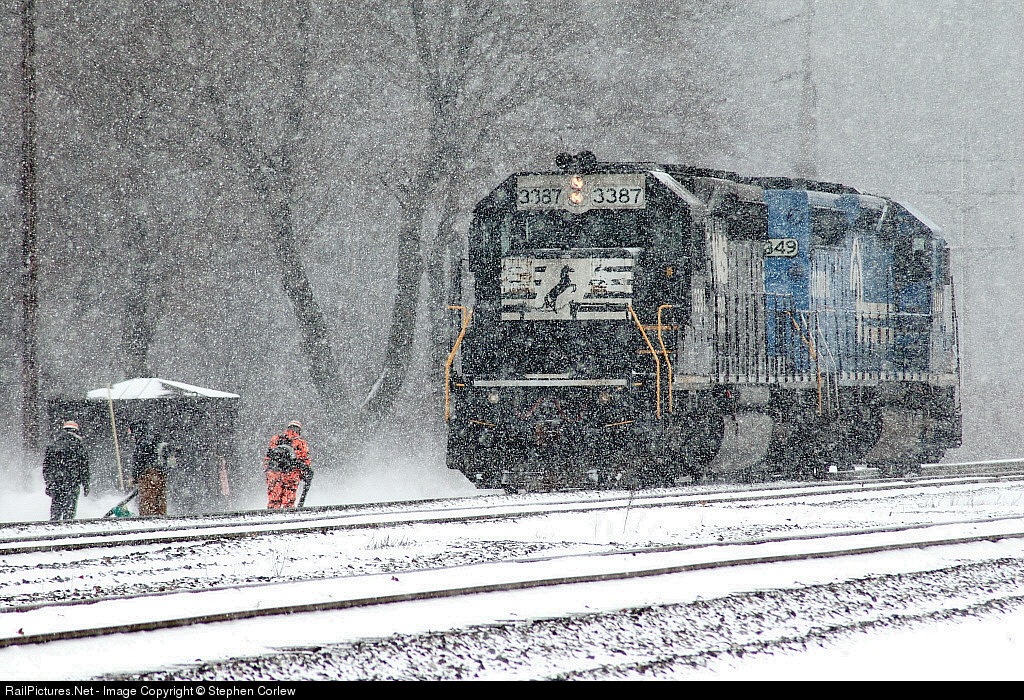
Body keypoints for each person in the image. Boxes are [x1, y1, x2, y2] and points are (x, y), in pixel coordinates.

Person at [42, 420, 91, 521]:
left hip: (57, 482)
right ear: (76, 431)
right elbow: (84, 468)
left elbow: (46, 468)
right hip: (72, 483)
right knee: (69, 513)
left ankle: (54, 526)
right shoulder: (79, 446)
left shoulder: (53, 445)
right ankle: (67, 526)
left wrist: (49, 483)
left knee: (56, 510)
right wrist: (86, 485)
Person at [128, 420, 175, 517]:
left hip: (148, 477)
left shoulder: (142, 444)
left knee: (147, 505)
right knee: (160, 503)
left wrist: (134, 478)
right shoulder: (155, 441)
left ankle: (148, 522)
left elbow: (138, 463)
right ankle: (161, 521)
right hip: (161, 476)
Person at [263, 420, 312, 509]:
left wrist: (268, 471)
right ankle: (287, 515)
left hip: (274, 473)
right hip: (291, 474)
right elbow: (305, 461)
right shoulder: (300, 443)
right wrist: (304, 474)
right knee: (288, 502)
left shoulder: (276, 439)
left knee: (273, 500)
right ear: (299, 430)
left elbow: (268, 457)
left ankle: (272, 515)